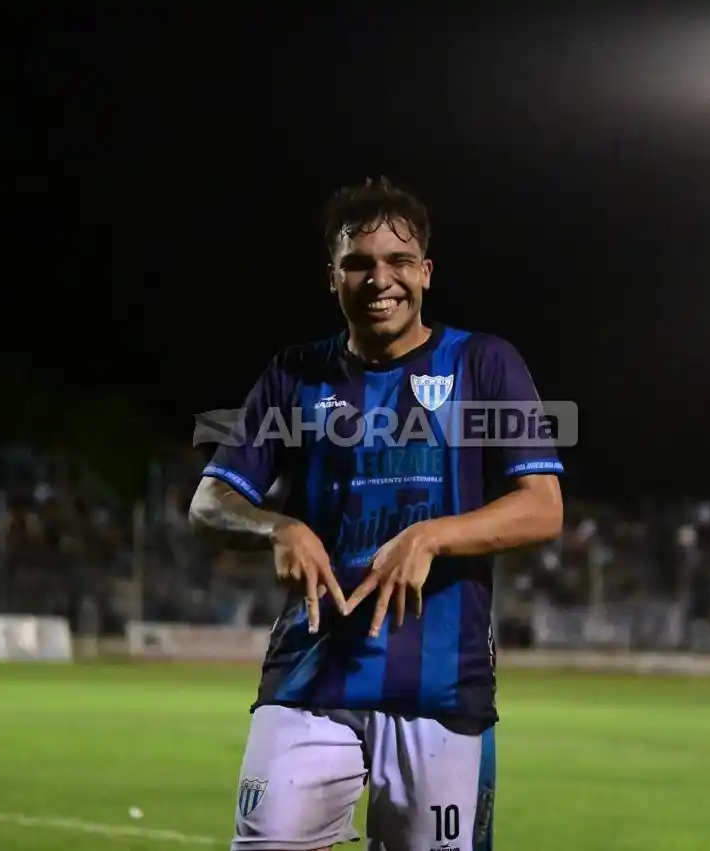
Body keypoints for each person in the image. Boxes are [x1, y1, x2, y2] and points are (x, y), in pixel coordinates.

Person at [190, 177, 564, 851]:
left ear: (424, 272)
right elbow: (210, 498)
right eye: (357, 262)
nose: (378, 278)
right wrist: (276, 525)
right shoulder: (293, 374)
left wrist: (433, 536)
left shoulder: (483, 363)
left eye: (397, 261)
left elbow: (541, 508)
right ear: (332, 277)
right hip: (309, 676)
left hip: (439, 689)